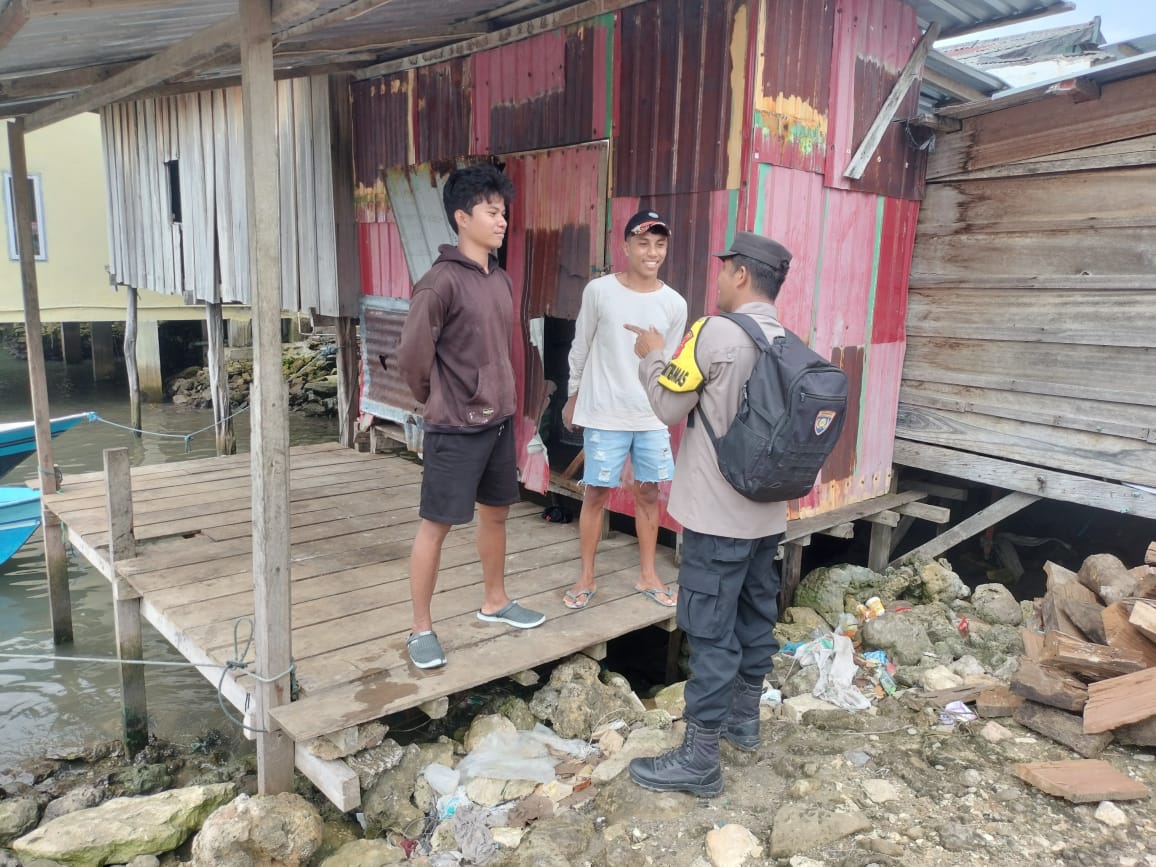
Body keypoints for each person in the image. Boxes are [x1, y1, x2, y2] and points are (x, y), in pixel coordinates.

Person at [624, 231, 794, 797]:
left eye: (723, 270)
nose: (717, 279)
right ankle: (744, 722)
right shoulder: (785, 339)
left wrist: (651, 354)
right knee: (753, 617)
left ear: (741, 275)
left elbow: (670, 406)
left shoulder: (713, 332)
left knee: (709, 630)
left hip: (717, 520)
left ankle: (700, 760)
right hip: (767, 518)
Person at [396, 164, 545, 671]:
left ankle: (495, 601)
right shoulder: (438, 283)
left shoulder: (500, 279)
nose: (502, 221)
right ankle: (420, 628)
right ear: (462, 218)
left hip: (499, 422)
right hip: (454, 427)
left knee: (497, 512)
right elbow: (413, 360)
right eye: (491, 212)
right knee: (436, 526)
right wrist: (439, 400)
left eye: (503, 212)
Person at [560, 210, 688, 610]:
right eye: (644, 243)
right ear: (626, 246)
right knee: (596, 493)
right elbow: (580, 345)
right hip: (604, 411)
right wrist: (573, 393)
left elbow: (667, 362)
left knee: (648, 494)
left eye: (660, 244)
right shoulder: (599, 292)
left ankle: (648, 575)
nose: (652, 252)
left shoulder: (675, 303)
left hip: (650, 415)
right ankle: (586, 577)